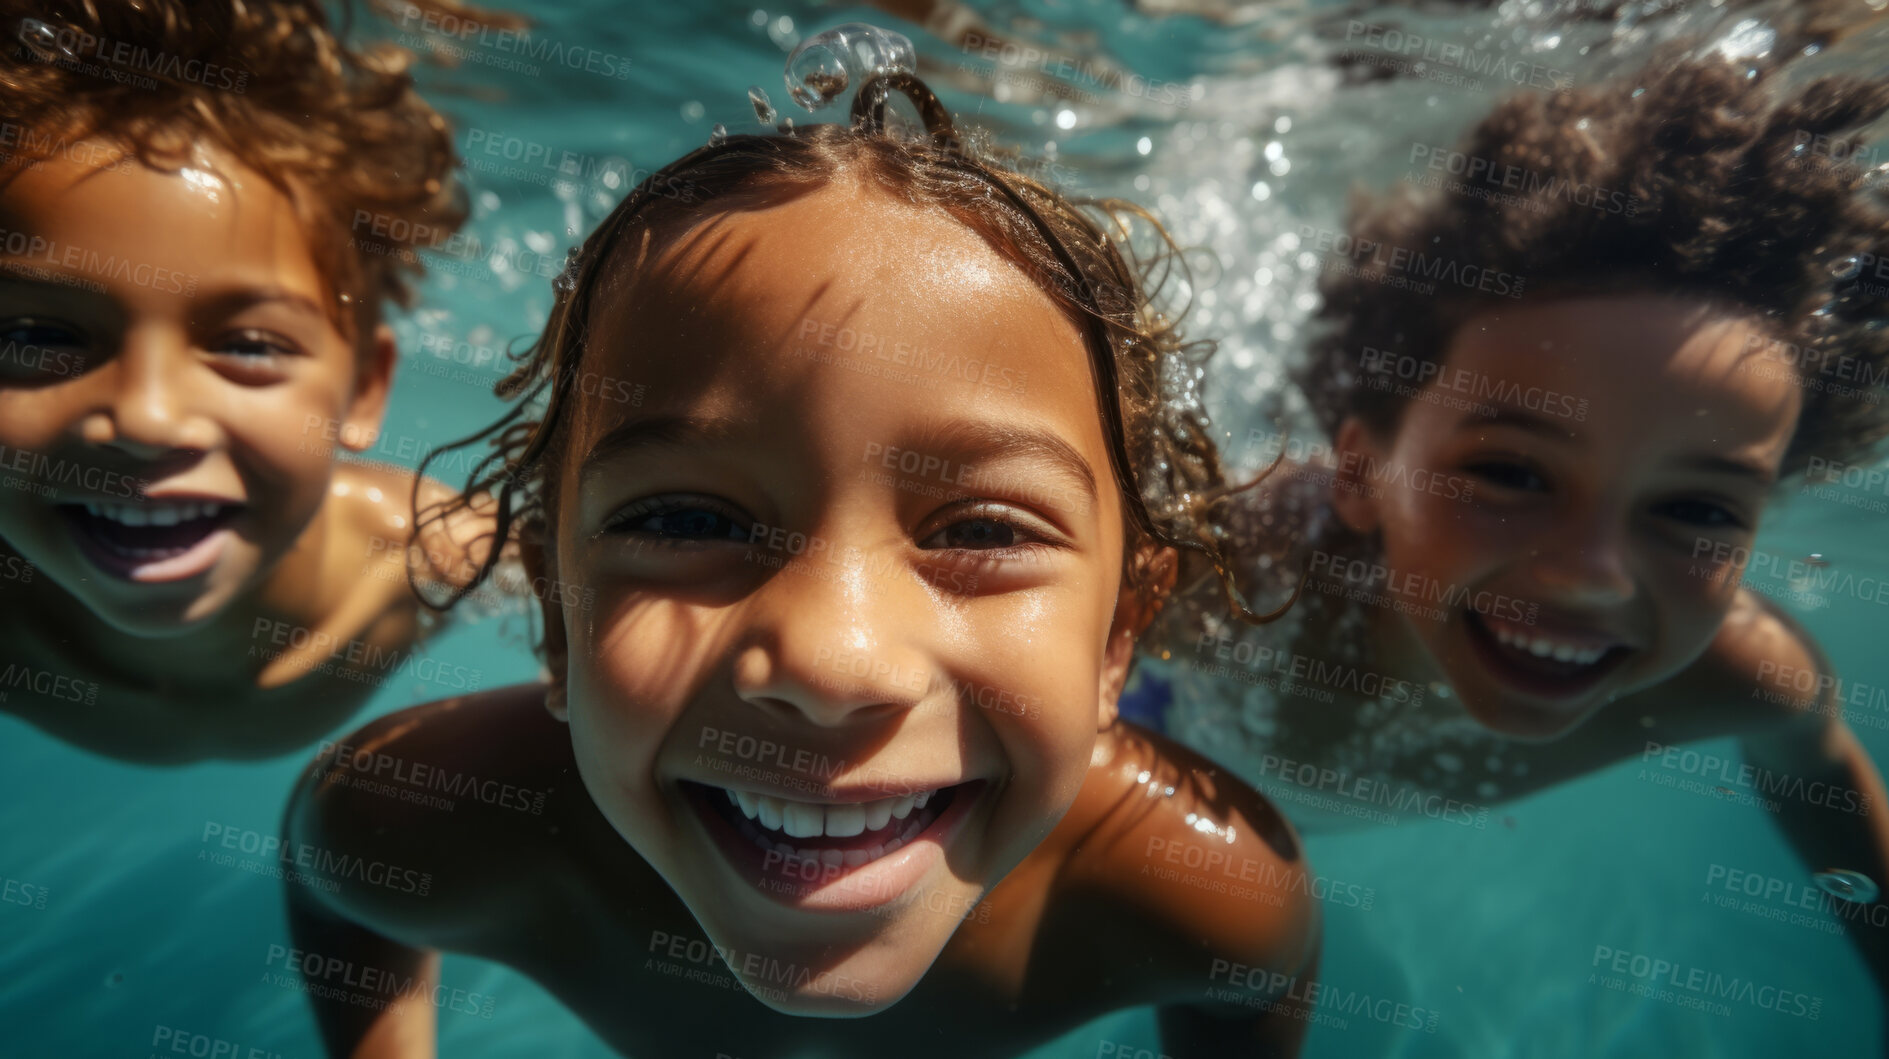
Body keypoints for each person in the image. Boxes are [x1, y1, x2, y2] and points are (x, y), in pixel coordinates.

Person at [284, 74, 1321, 1058]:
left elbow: (1254, 996)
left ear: (1118, 637)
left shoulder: (1204, 895)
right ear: (554, 614)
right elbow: (333, 890)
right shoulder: (420, 818)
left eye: (980, 533)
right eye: (689, 521)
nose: (832, 665)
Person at [1158, 48, 1889, 991]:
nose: (1591, 573)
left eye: (1696, 507)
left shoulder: (1747, 679)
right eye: (1509, 473)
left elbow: (1820, 770)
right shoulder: (1228, 563)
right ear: (1358, 471)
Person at [0, 0, 506, 762]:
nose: (147, 417)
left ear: (365, 389)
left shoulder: (436, 558)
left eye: (249, 345)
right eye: (39, 337)